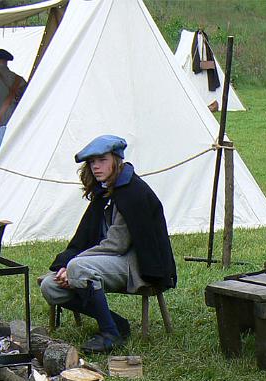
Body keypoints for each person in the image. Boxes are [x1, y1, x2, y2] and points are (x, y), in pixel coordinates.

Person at [40, 135, 177, 353]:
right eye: (92, 162)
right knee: (50, 286)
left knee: (78, 268)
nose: (95, 166)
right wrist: (65, 265)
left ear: (116, 159)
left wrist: (75, 264)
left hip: (138, 266)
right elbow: (83, 238)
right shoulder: (104, 192)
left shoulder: (133, 192)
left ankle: (109, 334)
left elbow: (117, 245)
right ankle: (117, 323)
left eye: (101, 160)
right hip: (109, 263)